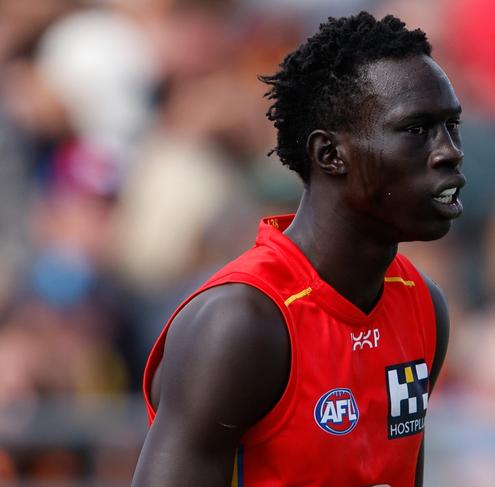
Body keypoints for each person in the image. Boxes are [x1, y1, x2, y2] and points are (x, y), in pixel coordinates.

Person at [131, 11, 465, 487]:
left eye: (452, 126)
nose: (449, 151)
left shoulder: (423, 305)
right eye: (417, 129)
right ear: (330, 155)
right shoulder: (241, 323)